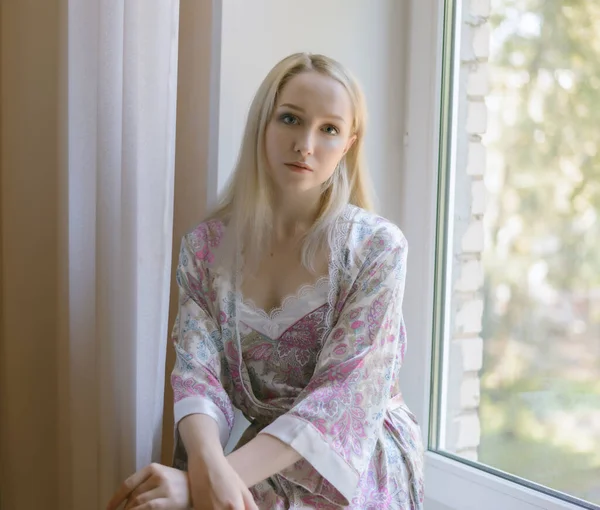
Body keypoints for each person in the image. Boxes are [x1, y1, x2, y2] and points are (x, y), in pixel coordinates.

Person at [107, 52, 424, 510]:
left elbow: (340, 400)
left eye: (329, 129)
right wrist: (204, 467)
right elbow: (198, 376)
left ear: (349, 144)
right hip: (258, 455)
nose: (306, 144)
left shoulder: (377, 249)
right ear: (263, 124)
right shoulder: (205, 248)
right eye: (291, 119)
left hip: (354, 460)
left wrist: (200, 483)